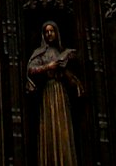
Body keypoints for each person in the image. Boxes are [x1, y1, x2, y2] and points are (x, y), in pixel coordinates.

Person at [25, 21, 82, 166]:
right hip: (48, 92)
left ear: (57, 33)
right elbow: (31, 69)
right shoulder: (41, 52)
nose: (49, 34)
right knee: (49, 127)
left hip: (61, 91)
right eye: (46, 32)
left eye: (52, 31)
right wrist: (48, 67)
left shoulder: (61, 51)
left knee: (63, 127)